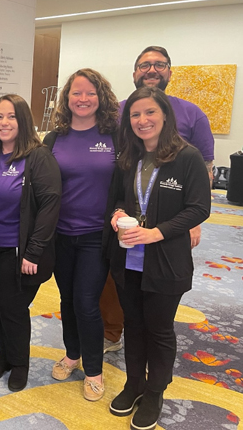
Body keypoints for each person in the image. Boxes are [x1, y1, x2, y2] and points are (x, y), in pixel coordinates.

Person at [106, 87, 210, 430]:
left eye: (150, 112)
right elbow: (119, 198)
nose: (142, 120)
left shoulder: (187, 156)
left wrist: (156, 232)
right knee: (133, 324)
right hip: (128, 259)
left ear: (164, 115)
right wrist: (118, 212)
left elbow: (199, 208)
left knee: (159, 329)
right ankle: (134, 382)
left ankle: (155, 391)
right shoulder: (129, 155)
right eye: (135, 115)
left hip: (165, 261)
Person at [100, 45, 215, 355]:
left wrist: (191, 222)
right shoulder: (118, 112)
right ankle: (113, 333)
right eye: (144, 65)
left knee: (158, 311)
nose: (151, 70)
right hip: (127, 217)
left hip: (170, 219)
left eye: (159, 65)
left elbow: (205, 170)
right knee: (120, 283)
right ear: (135, 72)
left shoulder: (192, 114)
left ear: (169, 71)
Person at [43, 68, 119, 402]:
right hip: (61, 234)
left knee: (87, 302)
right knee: (67, 300)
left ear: (100, 97)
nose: (83, 99)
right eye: (76, 93)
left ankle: (93, 371)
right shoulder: (55, 137)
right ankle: (72, 355)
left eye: (90, 93)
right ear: (67, 98)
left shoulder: (115, 134)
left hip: (95, 236)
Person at [0, 94, 61, 392]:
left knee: (13, 307)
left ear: (23, 120)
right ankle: (5, 354)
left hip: (18, 248)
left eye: (11, 116)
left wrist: (33, 251)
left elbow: (50, 206)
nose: (4, 122)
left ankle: (20, 362)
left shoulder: (38, 157)